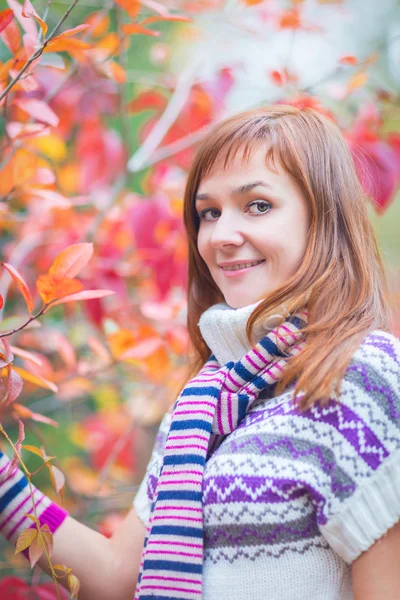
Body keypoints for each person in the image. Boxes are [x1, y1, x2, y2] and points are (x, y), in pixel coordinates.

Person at [0, 104, 399, 600]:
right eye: (209, 212)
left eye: (257, 205)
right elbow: (115, 574)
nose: (220, 237)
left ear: (324, 219)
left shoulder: (360, 374)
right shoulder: (204, 403)